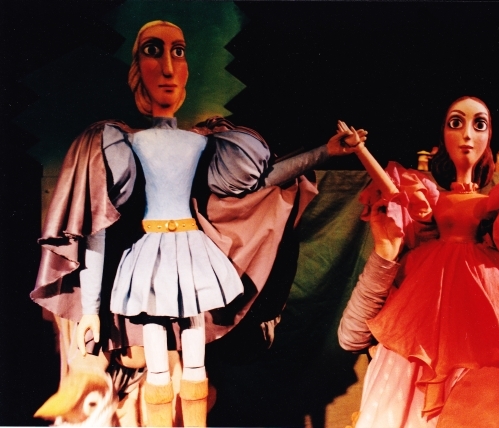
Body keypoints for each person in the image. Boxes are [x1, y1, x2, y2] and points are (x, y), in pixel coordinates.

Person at [31, 20, 365, 427]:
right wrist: (92, 309)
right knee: (157, 362)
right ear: (137, 69)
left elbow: (262, 181)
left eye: (179, 52)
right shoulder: (120, 143)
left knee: (194, 363)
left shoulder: (206, 142)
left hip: (191, 251)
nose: (168, 68)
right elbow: (98, 225)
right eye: (153, 51)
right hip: (149, 256)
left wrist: (324, 152)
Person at [337, 96, 499, 427]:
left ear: (489, 138)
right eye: (455, 123)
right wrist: (361, 150)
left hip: (478, 296)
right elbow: (392, 190)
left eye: (479, 125)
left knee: (472, 373)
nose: (467, 135)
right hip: (425, 293)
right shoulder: (427, 202)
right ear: (442, 136)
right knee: (411, 360)